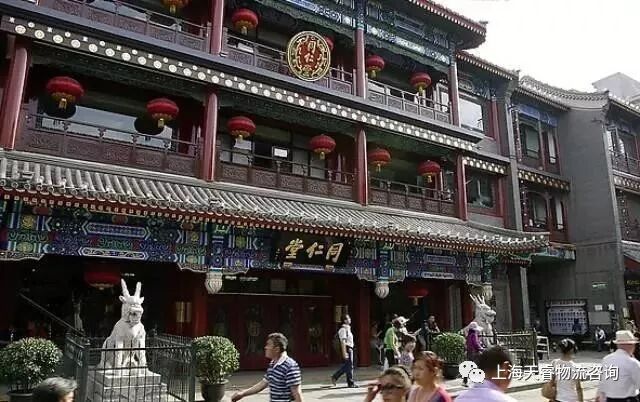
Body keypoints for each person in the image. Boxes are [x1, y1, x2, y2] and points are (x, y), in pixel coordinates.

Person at [231, 333, 303, 402]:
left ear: (277, 349)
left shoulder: (290, 366)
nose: (265, 348)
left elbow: (297, 394)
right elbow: (262, 384)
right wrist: (242, 393)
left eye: (268, 345)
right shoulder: (273, 364)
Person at [596, 330, 640, 402]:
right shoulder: (633, 362)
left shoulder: (606, 359)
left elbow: (602, 382)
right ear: (631, 345)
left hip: (610, 399)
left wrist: (599, 395)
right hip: (628, 399)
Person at [331, 314, 357, 388]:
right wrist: (344, 352)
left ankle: (336, 377)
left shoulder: (348, 328)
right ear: (345, 320)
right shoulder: (343, 330)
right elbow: (343, 342)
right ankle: (350, 382)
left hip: (350, 348)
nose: (350, 319)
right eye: (348, 318)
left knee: (348, 366)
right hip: (347, 348)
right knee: (349, 366)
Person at [462, 322, 484, 387]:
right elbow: (475, 343)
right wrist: (481, 348)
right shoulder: (474, 335)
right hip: (474, 352)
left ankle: (465, 381)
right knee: (478, 366)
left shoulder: (469, 335)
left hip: (469, 352)